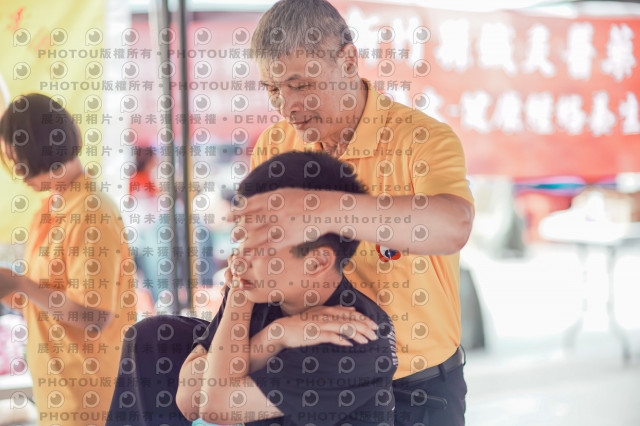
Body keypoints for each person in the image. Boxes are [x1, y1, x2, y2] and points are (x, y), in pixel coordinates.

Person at [235, 1, 475, 424]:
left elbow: (453, 225)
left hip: (416, 388)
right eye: (273, 90)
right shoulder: (274, 144)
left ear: (347, 61)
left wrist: (323, 210)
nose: (287, 107)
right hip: (318, 381)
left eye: (300, 85)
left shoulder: (420, 140)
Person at [106, 151, 397, 425]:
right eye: (242, 236)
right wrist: (274, 335)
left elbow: (215, 406)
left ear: (317, 261)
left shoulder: (355, 337)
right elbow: (190, 399)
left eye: (260, 242)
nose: (240, 255)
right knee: (152, 334)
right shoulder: (256, 289)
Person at [0, 93, 136, 426]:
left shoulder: (91, 213)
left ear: (40, 149)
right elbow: (47, 298)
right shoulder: (49, 210)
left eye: (18, 161)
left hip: (90, 399)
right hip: (57, 393)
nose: (17, 173)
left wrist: (20, 284)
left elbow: (95, 315)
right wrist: (13, 290)